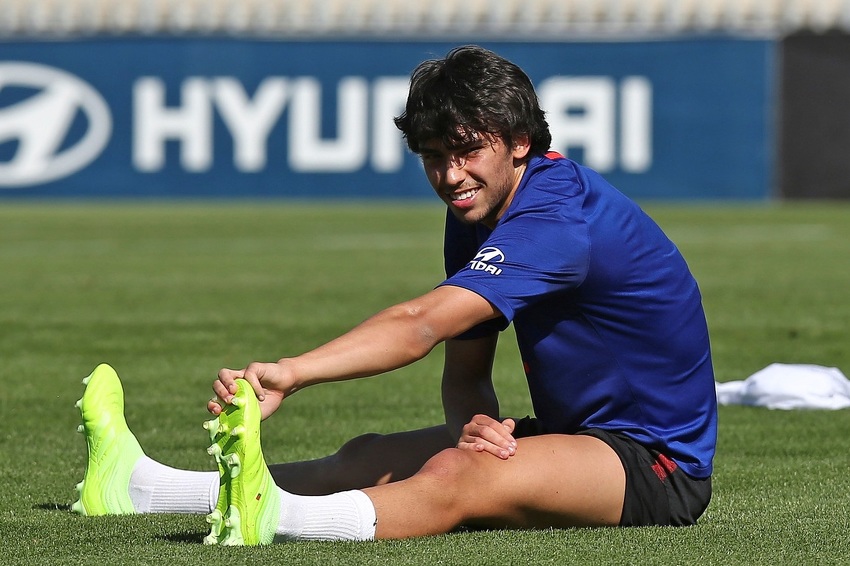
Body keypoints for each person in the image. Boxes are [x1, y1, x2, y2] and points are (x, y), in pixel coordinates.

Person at [72, 45, 717, 545]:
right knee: (370, 456)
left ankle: (275, 520)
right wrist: (474, 424)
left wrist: (292, 374)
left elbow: (421, 324)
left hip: (655, 462)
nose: (448, 176)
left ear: (521, 142)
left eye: (466, 151)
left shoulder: (555, 221)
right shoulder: (479, 211)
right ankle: (144, 487)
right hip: (578, 433)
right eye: (433, 156)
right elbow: (467, 368)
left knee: (460, 476)